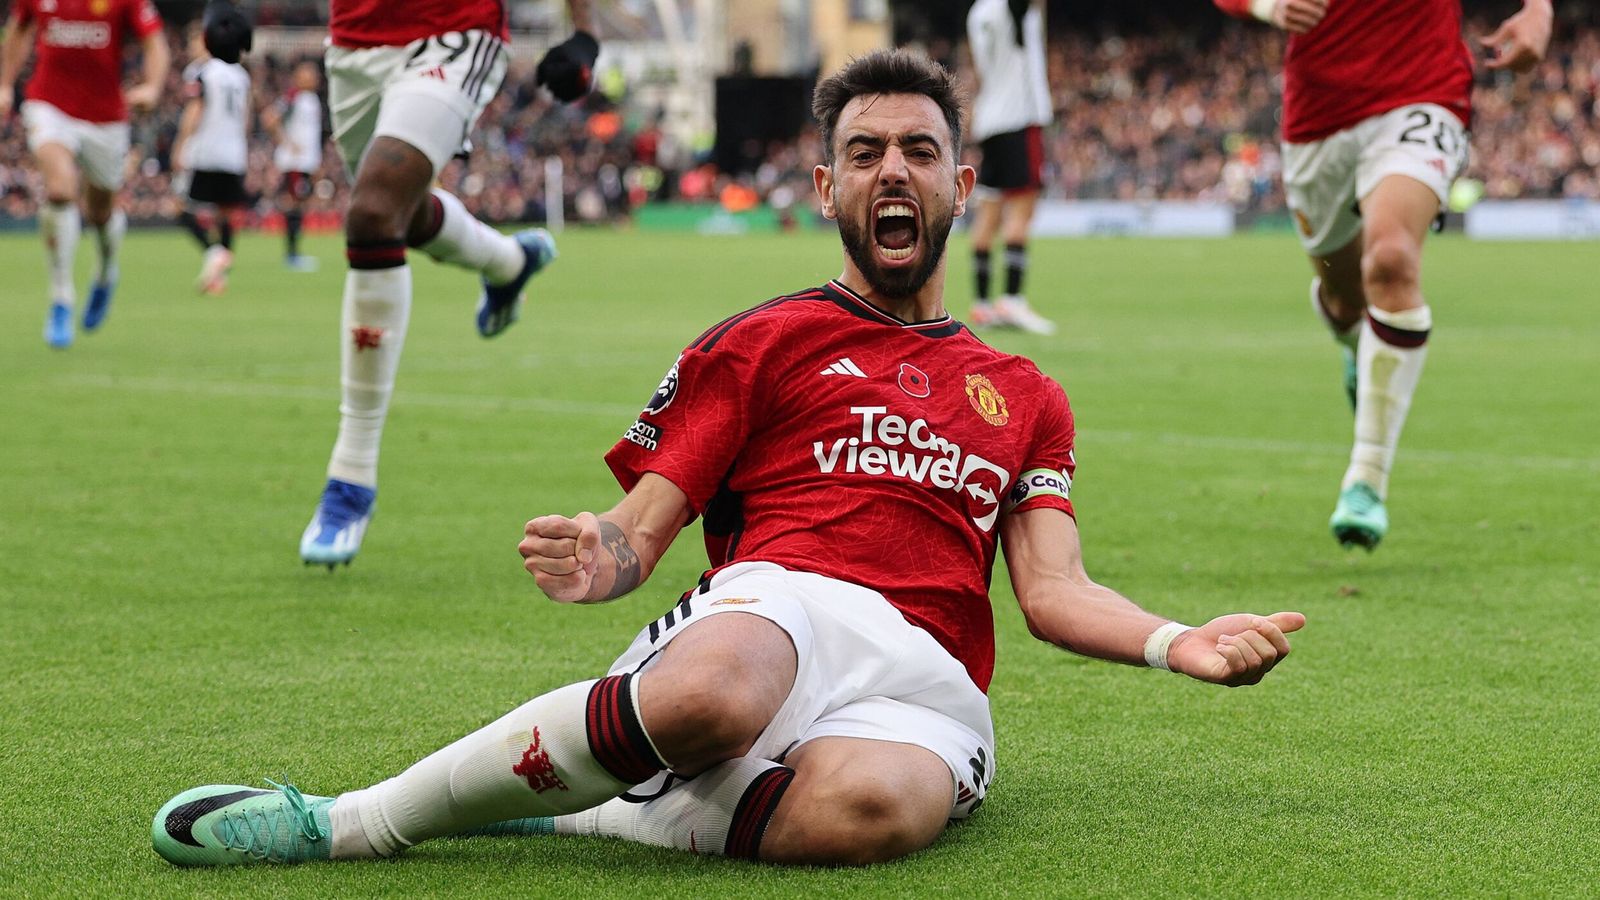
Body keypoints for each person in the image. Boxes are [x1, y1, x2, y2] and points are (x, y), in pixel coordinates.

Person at [152, 50, 1305, 870]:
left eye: (918, 150)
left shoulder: (1029, 396)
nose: (891, 170)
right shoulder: (763, 341)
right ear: (826, 188)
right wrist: (600, 555)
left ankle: (592, 811)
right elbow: (641, 534)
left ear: (963, 183)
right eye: (863, 153)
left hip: (929, 679)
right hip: (781, 604)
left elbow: (1051, 592)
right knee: (712, 695)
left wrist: (1173, 642)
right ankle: (355, 820)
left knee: (874, 815)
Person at [1213, 0, 1552, 549]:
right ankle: (1358, 348)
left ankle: (1367, 478)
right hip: (1319, 112)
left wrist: (1539, 7)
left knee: (1392, 262)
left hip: (1422, 89)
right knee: (1345, 298)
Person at [297, 0, 602, 568]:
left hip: (452, 32)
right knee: (397, 215)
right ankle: (509, 262)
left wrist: (584, 33)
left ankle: (351, 477)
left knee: (370, 213)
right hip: (353, 42)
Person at [0, 0, 168, 348]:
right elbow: (18, 29)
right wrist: (5, 83)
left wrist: (153, 86)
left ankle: (106, 272)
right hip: (49, 104)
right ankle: (61, 297)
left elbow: (156, 44)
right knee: (60, 189)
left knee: (99, 211)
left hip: (105, 117)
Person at [964, 0, 1056, 335]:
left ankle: (982, 304)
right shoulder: (1012, 8)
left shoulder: (979, 12)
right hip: (1020, 118)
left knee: (988, 215)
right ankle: (1012, 299)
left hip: (991, 119)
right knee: (1021, 212)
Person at [172, 5, 253, 296]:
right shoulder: (239, 74)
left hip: (205, 151)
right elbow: (247, 119)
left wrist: (180, 145)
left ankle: (212, 253)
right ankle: (219, 276)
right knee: (226, 215)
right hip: (233, 153)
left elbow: (195, 111)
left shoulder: (201, 72)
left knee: (178, 207)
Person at [262, 60, 324, 271]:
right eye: (308, 73)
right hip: (294, 163)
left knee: (299, 205)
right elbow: (270, 118)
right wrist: (286, 142)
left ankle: (294, 253)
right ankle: (292, 255)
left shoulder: (311, 100)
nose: (314, 77)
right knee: (293, 205)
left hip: (306, 163)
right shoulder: (293, 96)